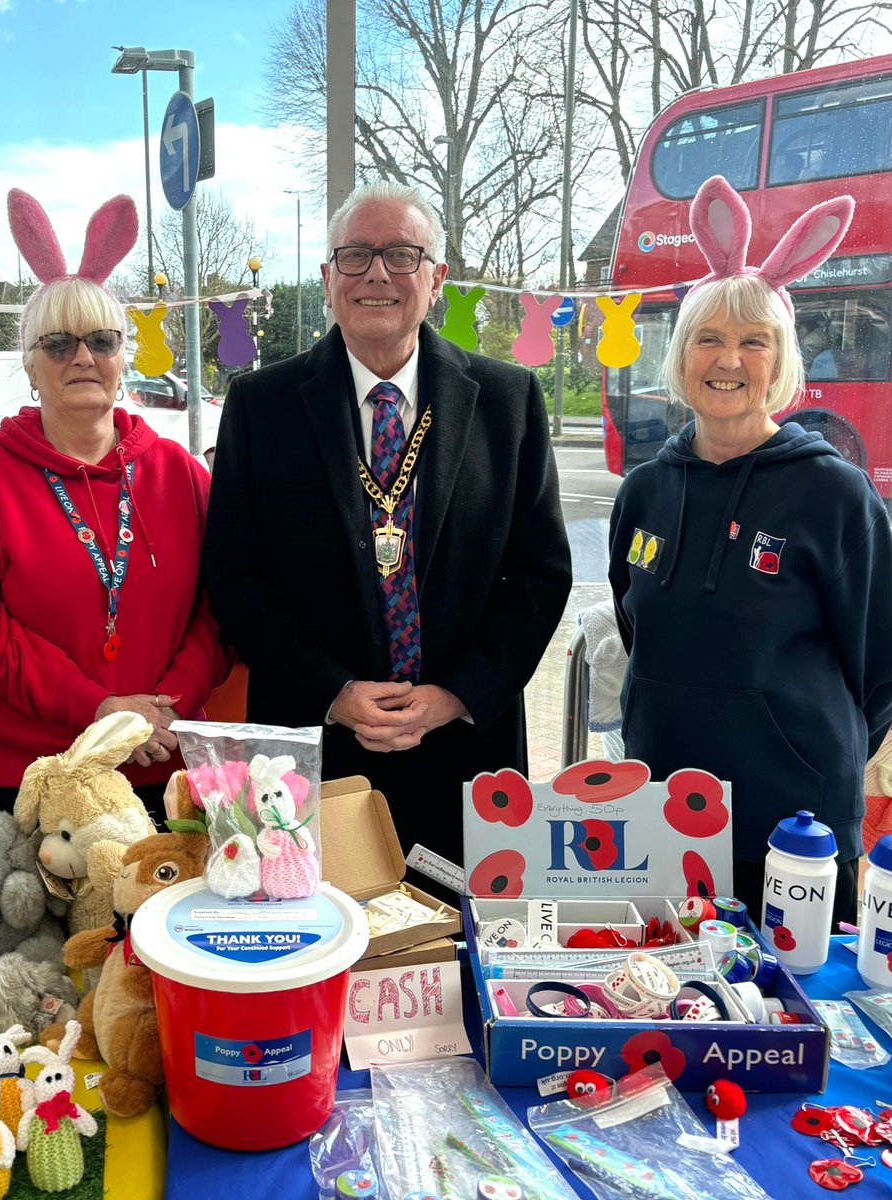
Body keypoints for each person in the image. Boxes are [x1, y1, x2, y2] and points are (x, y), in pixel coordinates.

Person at [204, 180, 572, 874]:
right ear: (327, 278)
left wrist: (457, 694)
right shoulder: (262, 405)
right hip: (311, 748)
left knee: (457, 959)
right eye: (356, 255)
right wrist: (334, 693)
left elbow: (540, 572)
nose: (377, 273)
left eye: (403, 254)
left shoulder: (506, 401)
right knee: (313, 953)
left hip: (466, 748)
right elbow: (235, 576)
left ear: (436, 280)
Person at [609, 175, 892, 924]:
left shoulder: (835, 496)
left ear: (780, 362)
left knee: (790, 1024)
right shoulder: (644, 491)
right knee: (669, 1008)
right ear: (681, 351)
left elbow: (880, 663)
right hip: (664, 813)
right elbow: (640, 628)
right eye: (709, 336)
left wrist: (797, 747)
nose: (728, 358)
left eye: (752, 340)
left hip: (793, 828)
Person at [0, 191, 229, 821]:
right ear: (31, 365)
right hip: (28, 776)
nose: (83, 358)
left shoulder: (180, 472)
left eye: (101, 340)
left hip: (163, 763)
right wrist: (96, 709)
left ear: (124, 358)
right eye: (59, 344)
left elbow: (221, 606)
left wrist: (162, 710)